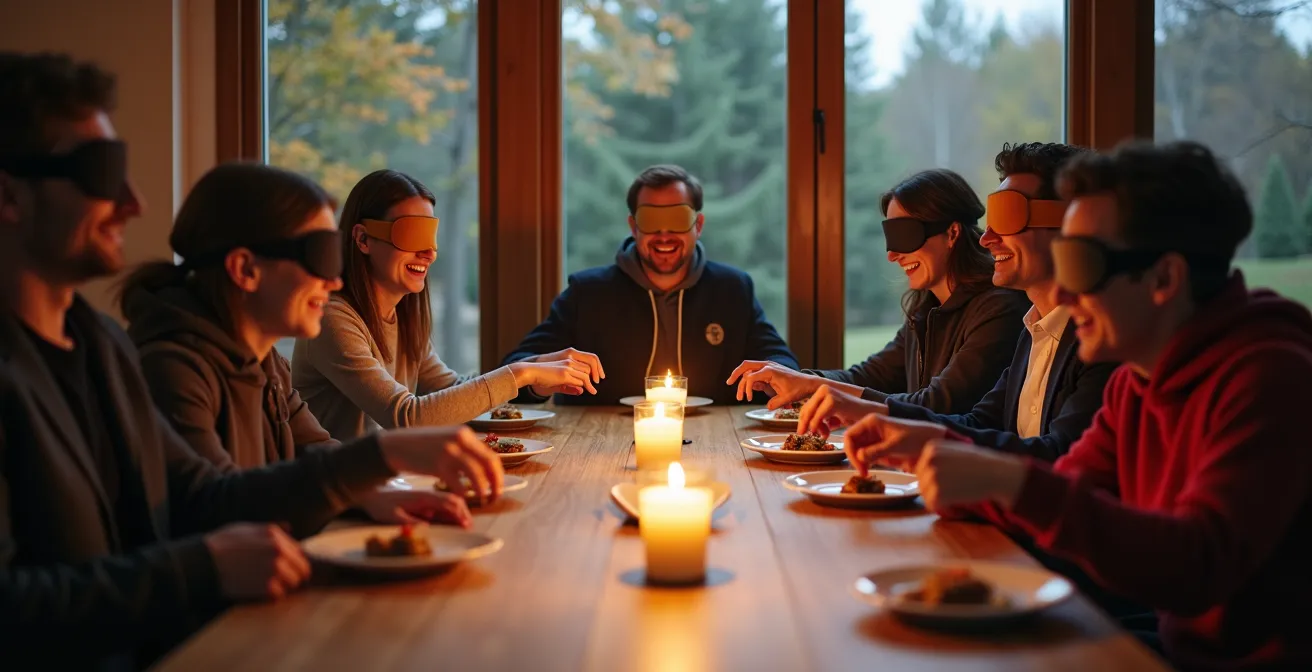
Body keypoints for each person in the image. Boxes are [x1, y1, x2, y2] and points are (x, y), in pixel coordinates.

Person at [0, 52, 502, 669]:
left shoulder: (98, 343)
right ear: (10, 194)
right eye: (100, 172)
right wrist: (204, 567)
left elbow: (202, 493)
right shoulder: (162, 361)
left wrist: (368, 487)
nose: (133, 201)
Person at [847, 141, 1312, 669]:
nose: (1063, 293)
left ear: (1164, 278)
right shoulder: (1135, 381)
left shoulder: (1270, 376)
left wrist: (1002, 480)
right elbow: (1068, 490)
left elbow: (1198, 565)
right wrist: (941, 456)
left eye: (1082, 263)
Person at [121, 162, 470, 526]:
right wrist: (383, 452)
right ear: (245, 269)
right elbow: (213, 504)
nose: (334, 281)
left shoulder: (268, 364)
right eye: (318, 254)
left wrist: (373, 492)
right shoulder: (172, 369)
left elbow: (318, 452)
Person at [797, 143, 1116, 463]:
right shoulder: (1031, 331)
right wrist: (872, 412)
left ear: (1071, 226)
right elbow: (979, 423)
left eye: (1009, 218)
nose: (987, 238)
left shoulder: (1100, 340)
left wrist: (894, 422)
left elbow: (1061, 457)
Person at [293, 169, 600, 440]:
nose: (429, 252)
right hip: (339, 495)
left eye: (431, 235)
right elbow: (407, 417)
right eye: (414, 234)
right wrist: (520, 373)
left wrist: (536, 372)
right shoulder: (331, 320)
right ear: (363, 240)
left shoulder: (402, 316)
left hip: (391, 483)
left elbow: (449, 392)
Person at [728, 168, 1029, 414]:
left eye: (905, 236)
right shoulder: (926, 312)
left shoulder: (998, 309)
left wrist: (814, 387)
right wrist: (795, 378)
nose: (893, 255)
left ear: (952, 233)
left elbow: (938, 406)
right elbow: (868, 376)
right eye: (891, 238)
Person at [501, 164, 798, 405]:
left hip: (718, 442)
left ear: (698, 225)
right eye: (651, 220)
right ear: (633, 226)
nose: (664, 233)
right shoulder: (588, 292)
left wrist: (773, 379)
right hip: (598, 444)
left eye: (678, 218)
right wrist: (540, 377)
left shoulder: (733, 289)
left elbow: (782, 363)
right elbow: (514, 369)